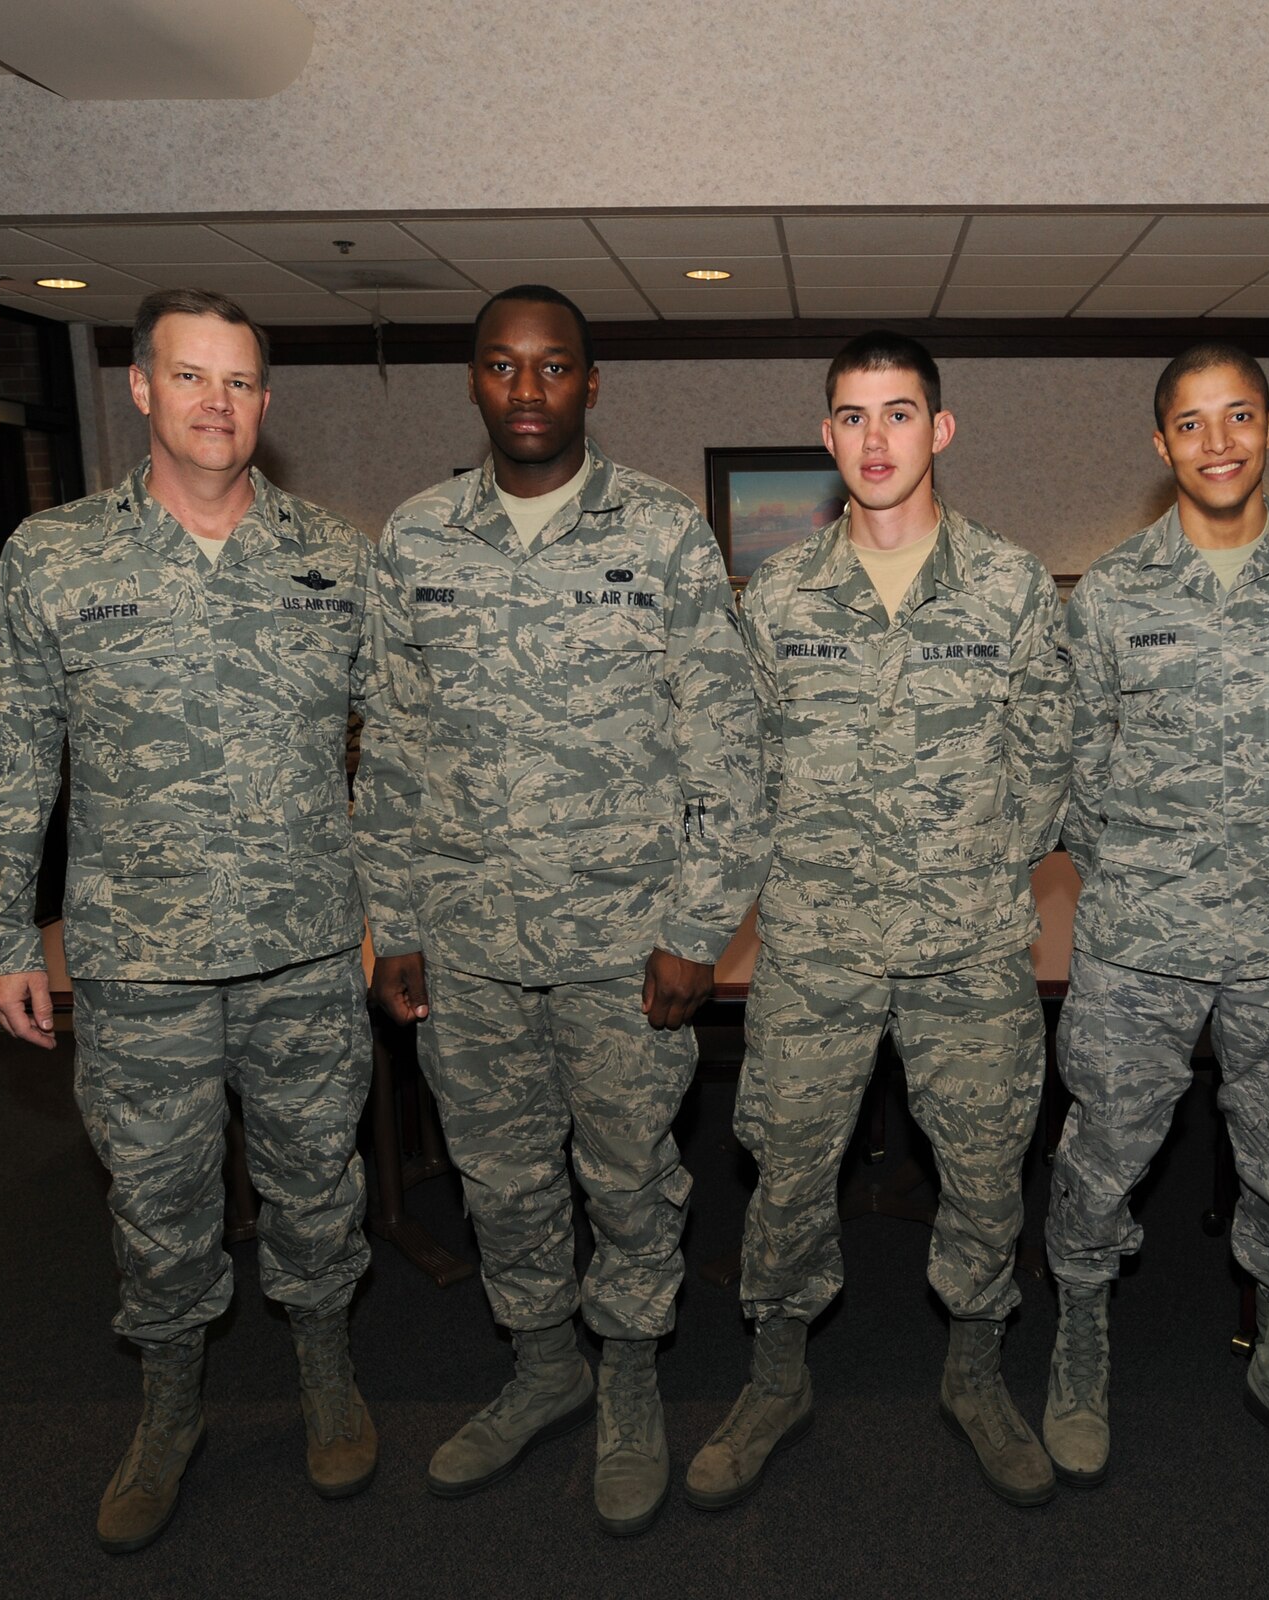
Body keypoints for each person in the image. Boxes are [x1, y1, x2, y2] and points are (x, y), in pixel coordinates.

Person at [0, 288, 381, 1552]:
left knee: (315, 1184)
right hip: (141, 966)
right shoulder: (57, 556)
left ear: (264, 402)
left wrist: (392, 909)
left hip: (303, 950)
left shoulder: (331, 558)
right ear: (140, 389)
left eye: (238, 383)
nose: (216, 406)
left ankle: (326, 1372)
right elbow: (7, 747)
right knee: (159, 1196)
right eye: (191, 379)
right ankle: (169, 1403)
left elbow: (400, 749)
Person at [353, 285, 765, 1536]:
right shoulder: (415, 539)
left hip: (621, 946)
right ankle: (542, 1365)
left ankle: (630, 1373)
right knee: (500, 1174)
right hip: (468, 942)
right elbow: (392, 747)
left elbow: (727, 742)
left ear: (591, 385)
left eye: (552, 368)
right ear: (473, 383)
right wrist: (396, 918)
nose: (525, 389)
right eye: (500, 367)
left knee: (631, 1172)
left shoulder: (663, 536)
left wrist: (698, 927)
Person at [684, 331, 1071, 1511]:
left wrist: (959, 866)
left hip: (968, 949)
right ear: (826, 435)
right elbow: (743, 768)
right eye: (852, 417)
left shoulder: (1008, 585)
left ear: (939, 429)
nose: (875, 440)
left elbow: (1047, 760)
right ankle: (776, 1371)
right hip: (816, 947)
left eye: (898, 414)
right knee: (788, 1163)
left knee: (986, 1167)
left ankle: (971, 1367)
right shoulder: (782, 597)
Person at [1042, 345, 1269, 1497]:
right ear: (1161, 445)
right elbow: (1074, 766)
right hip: (1139, 940)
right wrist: (1138, 873)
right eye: (1191, 424)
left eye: (1237, 416)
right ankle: (1080, 1345)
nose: (1218, 440)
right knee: (1101, 1156)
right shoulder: (1112, 593)